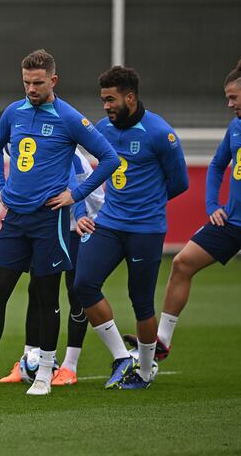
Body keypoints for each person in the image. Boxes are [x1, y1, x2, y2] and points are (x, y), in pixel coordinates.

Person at [144, 55, 241, 386]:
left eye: (233, 97)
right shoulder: (237, 126)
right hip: (229, 221)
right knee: (182, 263)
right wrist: (213, 204)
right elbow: (217, 165)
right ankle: (162, 342)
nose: (229, 104)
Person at [0, 49, 119, 397]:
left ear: (53, 80)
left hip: (49, 221)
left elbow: (110, 158)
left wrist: (75, 194)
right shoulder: (14, 112)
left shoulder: (69, 118)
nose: (31, 89)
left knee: (46, 296)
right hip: (14, 220)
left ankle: (44, 374)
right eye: (26, 82)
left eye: (38, 83)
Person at [73, 65, 188, 390]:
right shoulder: (101, 130)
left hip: (146, 230)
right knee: (83, 285)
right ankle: (123, 357)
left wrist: (148, 202)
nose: (106, 106)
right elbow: (77, 166)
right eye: (103, 100)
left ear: (130, 97)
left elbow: (179, 182)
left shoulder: (159, 133)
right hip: (108, 223)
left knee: (141, 301)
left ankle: (147, 370)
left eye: (110, 99)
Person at [0, 149, 105, 386]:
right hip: (50, 222)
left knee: (76, 290)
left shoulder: (63, 149)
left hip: (82, 223)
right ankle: (29, 359)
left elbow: (73, 187)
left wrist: (80, 215)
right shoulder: (28, 145)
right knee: (37, 288)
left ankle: (69, 366)